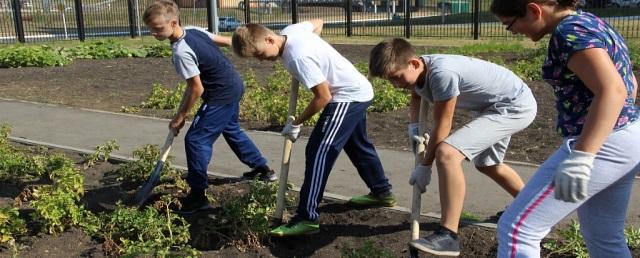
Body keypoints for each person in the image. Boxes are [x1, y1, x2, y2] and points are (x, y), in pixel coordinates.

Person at [490, 0, 640, 257]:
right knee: (604, 237)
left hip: (604, 143)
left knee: (517, 229)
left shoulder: (569, 33)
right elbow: (630, 84)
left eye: (510, 24)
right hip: (627, 136)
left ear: (534, 10)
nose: (512, 31)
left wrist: (583, 156)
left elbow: (613, 90)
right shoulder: (591, 22)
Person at [369, 38, 538, 256]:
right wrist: (413, 127)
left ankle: (448, 235)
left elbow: (443, 126)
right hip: (492, 106)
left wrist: (425, 167)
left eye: (396, 77)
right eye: (390, 81)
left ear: (414, 63)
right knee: (488, 164)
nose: (396, 85)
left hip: (513, 105)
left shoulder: (442, 74)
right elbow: (417, 92)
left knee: (447, 153)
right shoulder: (420, 70)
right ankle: (531, 209)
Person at [232, 19, 396, 237]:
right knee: (357, 145)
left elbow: (323, 96)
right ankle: (382, 192)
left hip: (346, 96)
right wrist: (317, 52)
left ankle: (307, 217)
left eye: (260, 54)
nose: (262, 60)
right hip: (358, 90)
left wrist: (296, 123)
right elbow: (318, 23)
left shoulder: (297, 58)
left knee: (319, 150)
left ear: (270, 39)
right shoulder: (291, 31)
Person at [143, 0, 276, 214]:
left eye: (158, 29)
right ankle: (262, 169)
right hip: (234, 84)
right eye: (151, 29)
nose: (154, 33)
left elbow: (196, 88)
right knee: (230, 129)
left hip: (220, 94)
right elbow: (226, 41)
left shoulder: (181, 51)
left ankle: (198, 196)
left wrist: (180, 116)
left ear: (174, 22)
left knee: (196, 140)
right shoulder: (194, 31)